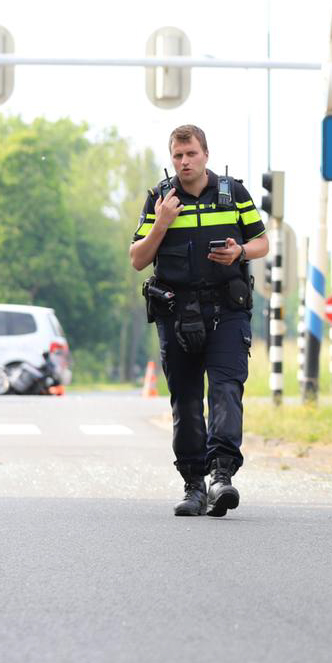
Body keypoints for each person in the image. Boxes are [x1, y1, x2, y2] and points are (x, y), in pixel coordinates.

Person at [129, 125, 269, 517]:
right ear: (171, 158)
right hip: (177, 313)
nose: (184, 161)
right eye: (178, 155)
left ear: (205, 154)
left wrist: (240, 251)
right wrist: (161, 222)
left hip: (227, 310)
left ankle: (221, 476)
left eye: (191, 153)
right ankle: (193, 484)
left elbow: (262, 242)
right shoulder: (160, 198)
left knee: (225, 389)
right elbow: (138, 259)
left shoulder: (232, 194)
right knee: (187, 400)